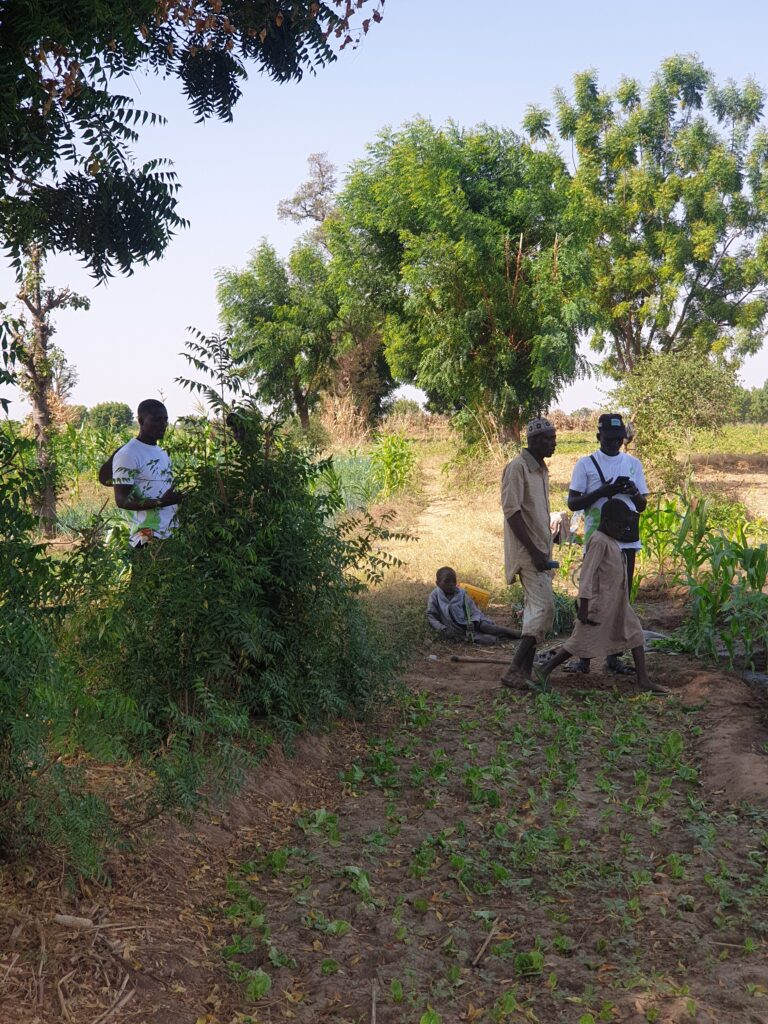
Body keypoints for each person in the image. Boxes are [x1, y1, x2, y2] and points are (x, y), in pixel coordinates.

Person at [534, 501, 666, 694]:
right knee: (579, 642)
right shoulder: (598, 541)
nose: (624, 530)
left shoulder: (611, 540)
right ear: (606, 522)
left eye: (626, 526)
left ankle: (643, 679)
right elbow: (587, 575)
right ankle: (545, 670)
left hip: (618, 603)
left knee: (636, 634)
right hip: (599, 604)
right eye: (621, 526)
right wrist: (585, 604)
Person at [567, 412, 649, 674]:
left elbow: (642, 505)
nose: (615, 443)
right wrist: (604, 491)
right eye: (610, 438)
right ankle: (584, 657)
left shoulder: (634, 464)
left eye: (619, 439)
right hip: (598, 541)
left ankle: (613, 657)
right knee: (594, 599)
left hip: (627, 542)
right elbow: (573, 503)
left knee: (621, 600)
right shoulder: (586, 464)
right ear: (598, 436)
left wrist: (632, 491)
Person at [500, 418, 558, 688]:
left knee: (537, 610)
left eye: (554, 437)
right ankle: (514, 670)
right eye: (548, 438)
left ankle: (523, 671)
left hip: (540, 551)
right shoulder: (517, 468)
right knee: (544, 608)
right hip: (528, 552)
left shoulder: (540, 470)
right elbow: (512, 513)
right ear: (533, 441)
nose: (553, 442)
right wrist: (535, 552)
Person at [111, 399, 183, 548]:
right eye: (157, 420)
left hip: (169, 534)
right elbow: (121, 500)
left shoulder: (162, 453)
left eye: (165, 420)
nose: (163, 424)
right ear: (141, 421)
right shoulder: (129, 454)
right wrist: (160, 502)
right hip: (147, 537)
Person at [426, 567, 519, 645]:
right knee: (487, 640)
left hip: (473, 623)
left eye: (454, 581)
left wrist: (473, 621)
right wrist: (442, 628)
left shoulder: (461, 593)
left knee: (488, 627)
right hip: (458, 630)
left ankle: (515, 633)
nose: (451, 584)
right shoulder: (435, 596)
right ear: (437, 583)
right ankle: (504, 640)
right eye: (447, 581)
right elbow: (431, 615)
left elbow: (473, 610)